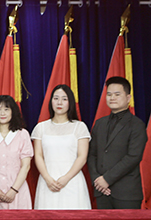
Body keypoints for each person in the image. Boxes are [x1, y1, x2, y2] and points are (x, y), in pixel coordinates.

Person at [88, 76, 148, 209]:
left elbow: (133, 157)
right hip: (101, 192)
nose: (112, 98)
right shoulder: (100, 123)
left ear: (128, 98)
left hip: (126, 193)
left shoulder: (137, 125)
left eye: (117, 94)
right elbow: (91, 154)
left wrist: (107, 179)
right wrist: (97, 181)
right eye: (109, 94)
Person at [32, 84, 91, 209]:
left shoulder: (79, 127)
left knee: (74, 218)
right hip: (47, 183)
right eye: (56, 98)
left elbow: (82, 157)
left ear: (70, 102)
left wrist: (66, 178)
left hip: (72, 182)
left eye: (64, 99)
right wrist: (48, 179)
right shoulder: (41, 128)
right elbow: (38, 156)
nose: (59, 102)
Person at [0, 95, 33, 209]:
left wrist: (14, 190)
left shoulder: (22, 134)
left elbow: (26, 166)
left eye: (6, 109)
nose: (2, 113)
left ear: (13, 111)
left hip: (18, 191)